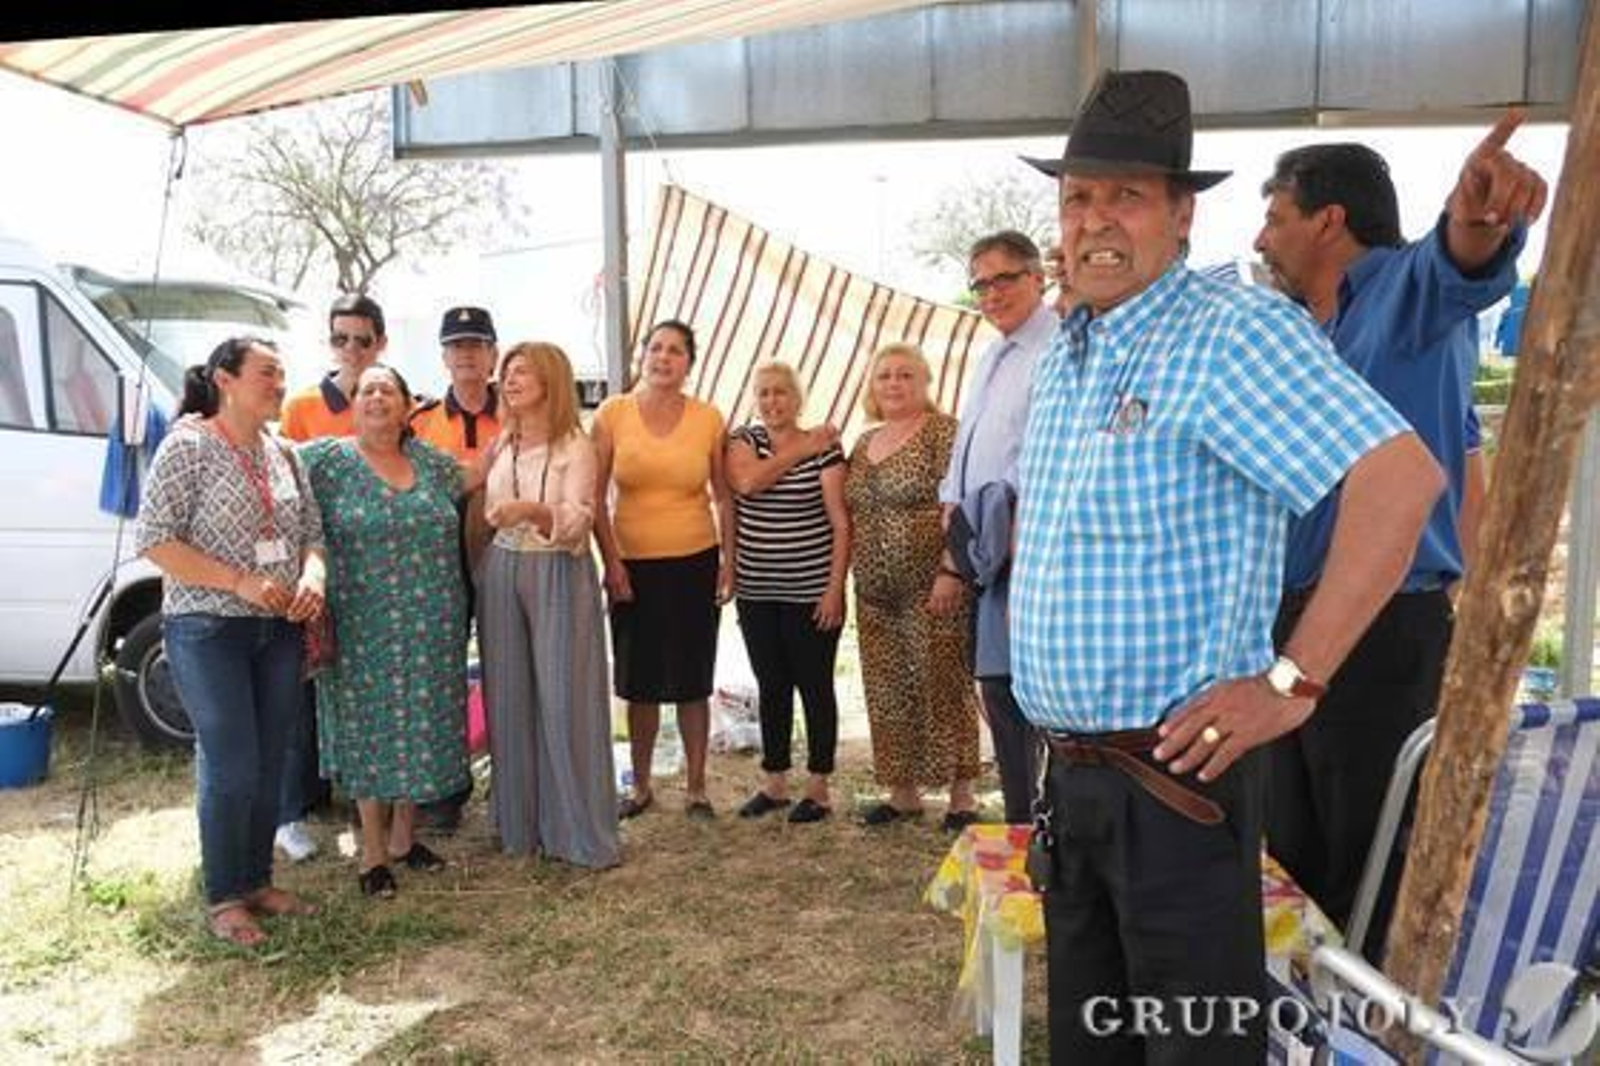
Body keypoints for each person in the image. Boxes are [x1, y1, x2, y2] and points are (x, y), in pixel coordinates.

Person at [1011, 69, 1443, 1062]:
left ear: (1179, 214)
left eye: (1125, 194)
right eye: (1078, 196)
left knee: (1193, 1049)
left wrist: (1293, 680)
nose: (1095, 219)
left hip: (1175, 783)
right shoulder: (1070, 349)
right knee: (1097, 1048)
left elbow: (1399, 480)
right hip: (1075, 784)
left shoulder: (1226, 333)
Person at [1253, 121, 1546, 948]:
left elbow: (1456, 266)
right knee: (1298, 858)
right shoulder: (1309, 331)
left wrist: (1476, 224)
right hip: (1300, 628)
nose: (1262, 236)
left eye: (1275, 216)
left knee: (1372, 867)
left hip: (1381, 636)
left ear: (1329, 221)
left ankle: (1373, 1036)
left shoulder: (1401, 301)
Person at [135, 336, 326, 946]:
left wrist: (313, 578)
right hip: (206, 627)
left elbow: (313, 534)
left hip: (278, 629)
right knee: (231, 762)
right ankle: (224, 897)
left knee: (271, 759)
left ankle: (255, 880)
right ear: (226, 379)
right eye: (268, 373)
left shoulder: (285, 453)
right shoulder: (187, 447)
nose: (279, 384)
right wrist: (238, 581)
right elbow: (156, 540)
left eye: (282, 374)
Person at [298, 365, 472, 898]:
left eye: (388, 390)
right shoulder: (326, 461)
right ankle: (371, 853)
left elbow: (485, 471)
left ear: (405, 406)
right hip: (360, 621)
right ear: (354, 405)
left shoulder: (432, 463)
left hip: (432, 621)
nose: (377, 397)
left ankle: (404, 839)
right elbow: (267, 464)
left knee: (418, 723)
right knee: (366, 730)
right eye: (367, 390)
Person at [477, 341, 620, 866]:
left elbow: (580, 518)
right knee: (509, 697)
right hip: (500, 569)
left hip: (556, 568)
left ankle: (578, 833)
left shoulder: (575, 447)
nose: (510, 380)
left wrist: (532, 510)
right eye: (507, 372)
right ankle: (520, 827)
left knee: (565, 697)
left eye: (523, 372)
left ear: (552, 383)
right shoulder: (501, 444)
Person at [933, 230, 1055, 826]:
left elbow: (1041, 457)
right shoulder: (991, 355)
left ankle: (1043, 825)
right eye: (979, 283)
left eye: (1003, 279)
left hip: (1028, 547)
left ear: (1038, 277)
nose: (989, 293)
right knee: (999, 693)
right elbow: (970, 450)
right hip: (981, 544)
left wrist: (1016, 544)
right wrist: (954, 532)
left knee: (1026, 696)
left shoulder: (1056, 346)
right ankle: (1020, 823)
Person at [592, 319, 734, 820]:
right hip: (631, 566)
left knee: (693, 679)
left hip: (695, 561)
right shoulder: (613, 413)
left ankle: (696, 788)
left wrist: (728, 561)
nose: (663, 358)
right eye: (655, 348)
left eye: (675, 351)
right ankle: (642, 787)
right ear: (642, 356)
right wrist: (611, 562)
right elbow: (594, 496)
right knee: (640, 681)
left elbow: (723, 494)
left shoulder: (709, 417)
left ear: (689, 363)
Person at [271, 292, 390, 863]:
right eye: (340, 338)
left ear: (380, 344)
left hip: (376, 575)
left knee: (364, 692)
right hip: (316, 569)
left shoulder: (390, 398)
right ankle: (293, 809)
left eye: (361, 340)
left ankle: (365, 801)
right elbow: (284, 486)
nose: (350, 349)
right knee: (305, 692)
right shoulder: (299, 406)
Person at [845, 342, 982, 831]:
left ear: (925, 383)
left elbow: (963, 506)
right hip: (874, 591)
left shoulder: (945, 433)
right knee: (886, 689)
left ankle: (962, 795)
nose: (894, 384)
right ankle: (902, 793)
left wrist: (952, 569)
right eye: (884, 376)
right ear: (872, 387)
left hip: (934, 586)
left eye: (905, 375)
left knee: (944, 685)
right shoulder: (863, 444)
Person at [725, 361, 849, 824]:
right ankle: (774, 781)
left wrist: (835, 589)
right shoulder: (744, 441)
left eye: (781, 392)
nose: (773, 401)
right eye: (764, 393)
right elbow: (746, 482)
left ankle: (819, 787)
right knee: (771, 685)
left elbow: (841, 523)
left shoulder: (827, 451)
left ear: (798, 399)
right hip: (757, 590)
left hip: (812, 590)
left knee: (814, 685)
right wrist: (800, 449)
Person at [409, 305, 504, 833]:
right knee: (442, 676)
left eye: (477, 344)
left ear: (493, 354)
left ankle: (512, 782)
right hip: (438, 567)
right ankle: (445, 790)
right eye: (457, 346)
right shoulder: (419, 422)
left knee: (509, 671)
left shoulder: (517, 412)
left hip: (504, 557)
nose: (467, 354)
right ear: (444, 357)